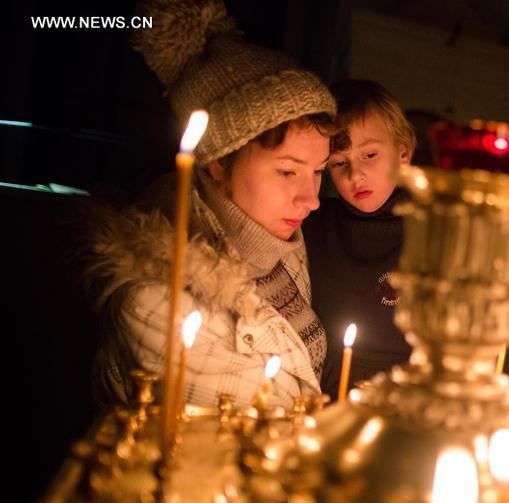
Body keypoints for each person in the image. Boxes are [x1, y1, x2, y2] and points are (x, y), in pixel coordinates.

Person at [83, 0, 337, 407]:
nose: (311, 200)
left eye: (319, 170)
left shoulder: (279, 237)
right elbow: (265, 430)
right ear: (218, 162)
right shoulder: (156, 303)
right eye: (288, 172)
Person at [303, 80, 416, 397]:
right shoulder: (311, 224)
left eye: (369, 154)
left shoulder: (430, 231)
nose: (355, 174)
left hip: (404, 397)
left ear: (403, 153)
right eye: (339, 162)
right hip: (325, 390)